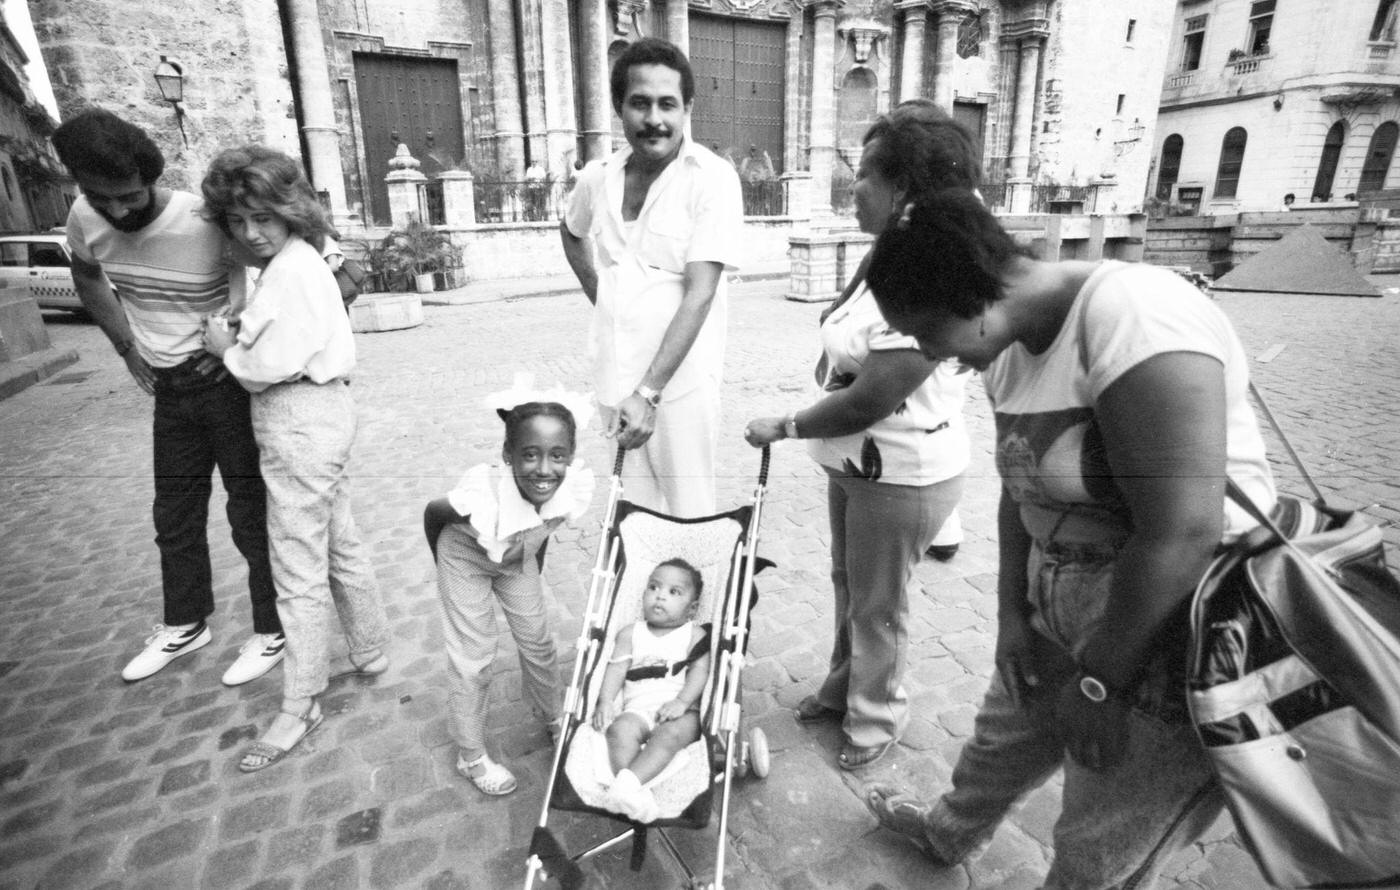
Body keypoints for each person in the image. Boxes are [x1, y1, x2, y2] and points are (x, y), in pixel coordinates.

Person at [860, 187, 1277, 888]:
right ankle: (947, 834)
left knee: (1098, 843)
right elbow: (1018, 490)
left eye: (928, 332)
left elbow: (1182, 531)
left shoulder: (1132, 315)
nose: (929, 354)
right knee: (999, 745)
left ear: (975, 297)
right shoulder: (1007, 348)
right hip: (1058, 598)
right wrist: (1012, 617)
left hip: (1163, 632)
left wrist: (1101, 682)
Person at [743, 102, 977, 770]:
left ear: (904, 187)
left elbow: (870, 400)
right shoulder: (886, 255)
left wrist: (785, 426)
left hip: (903, 470)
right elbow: (848, 341)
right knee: (851, 586)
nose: (854, 189)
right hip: (862, 468)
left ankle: (876, 720)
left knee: (879, 606)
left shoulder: (930, 269)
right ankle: (845, 688)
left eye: (865, 176)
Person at [50, 109, 285, 687]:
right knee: (174, 516)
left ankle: (272, 630)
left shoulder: (202, 220)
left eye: (130, 196)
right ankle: (186, 624)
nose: (118, 210)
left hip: (225, 386)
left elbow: (269, 268)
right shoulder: (84, 216)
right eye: (102, 197)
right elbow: (86, 277)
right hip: (169, 392)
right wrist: (126, 346)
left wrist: (233, 336)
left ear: (151, 179)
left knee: (249, 512)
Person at [200, 145, 389, 772]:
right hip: (323, 412)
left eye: (263, 218)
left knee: (296, 565)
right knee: (338, 541)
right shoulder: (297, 261)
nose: (251, 233)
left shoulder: (291, 268)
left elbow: (263, 368)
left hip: (296, 415)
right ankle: (369, 650)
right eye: (238, 221)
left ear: (290, 211)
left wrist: (225, 346)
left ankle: (302, 699)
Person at [560, 37, 744, 518]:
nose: (654, 119)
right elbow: (571, 231)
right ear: (620, 107)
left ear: (687, 109)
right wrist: (603, 297)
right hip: (614, 378)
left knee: (690, 518)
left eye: (668, 104)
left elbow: (700, 293)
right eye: (640, 103)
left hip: (678, 387)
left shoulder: (712, 178)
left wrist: (648, 394)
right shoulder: (597, 178)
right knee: (632, 518)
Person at [423, 389, 594, 796]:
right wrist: (445, 569)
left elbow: (545, 529)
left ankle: (553, 717)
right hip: (464, 555)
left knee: (538, 641)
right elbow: (433, 514)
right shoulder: (481, 493)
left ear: (570, 455)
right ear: (508, 454)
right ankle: (470, 755)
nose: (543, 469)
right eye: (530, 455)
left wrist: (531, 568)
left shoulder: (569, 488)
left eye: (557, 455)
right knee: (474, 657)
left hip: (517, 557)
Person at [592, 558, 710, 822]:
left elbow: (700, 672)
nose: (660, 597)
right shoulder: (630, 633)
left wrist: (682, 701)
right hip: (637, 708)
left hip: (680, 710)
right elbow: (616, 670)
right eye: (654, 587)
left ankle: (626, 787)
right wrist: (604, 701)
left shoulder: (694, 634)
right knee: (618, 731)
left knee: (670, 734)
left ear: (691, 609)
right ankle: (633, 791)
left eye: (673, 592)